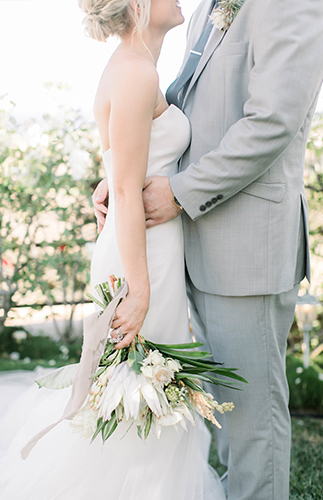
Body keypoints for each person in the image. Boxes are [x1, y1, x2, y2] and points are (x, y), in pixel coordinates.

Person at [93, 0, 323, 498]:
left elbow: (272, 123)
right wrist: (120, 175)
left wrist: (178, 192)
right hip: (190, 251)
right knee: (222, 419)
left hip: (246, 249)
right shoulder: (204, 10)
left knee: (252, 425)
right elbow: (176, 112)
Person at [0, 0, 227, 499]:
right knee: (134, 393)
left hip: (152, 249)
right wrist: (139, 289)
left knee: (149, 392)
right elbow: (124, 189)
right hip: (139, 259)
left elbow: (125, 174)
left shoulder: (141, 69)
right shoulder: (134, 73)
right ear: (141, 5)